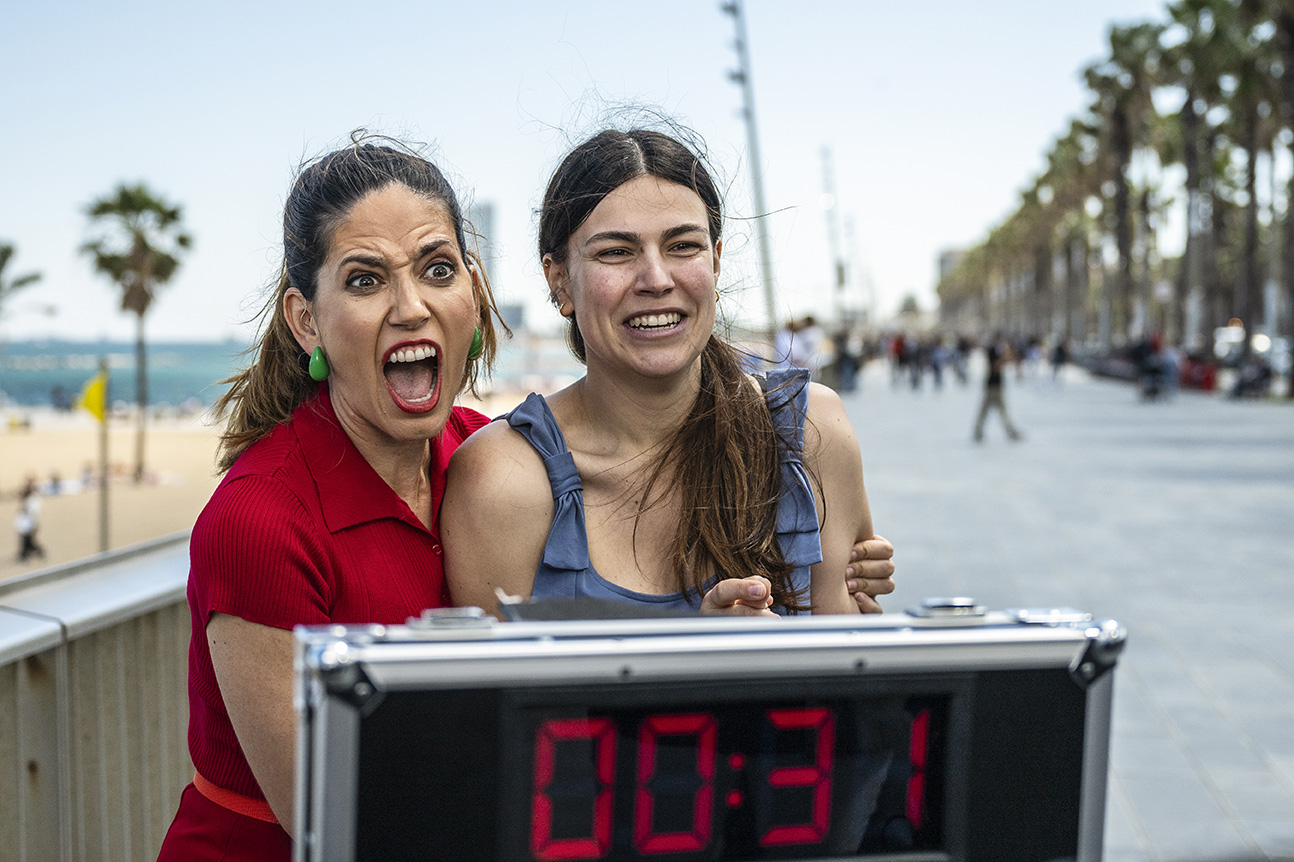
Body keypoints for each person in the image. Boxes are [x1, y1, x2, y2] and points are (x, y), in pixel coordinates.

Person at [156, 137, 504, 861]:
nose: (411, 307)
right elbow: (326, 811)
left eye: (438, 269)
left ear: (472, 293)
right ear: (306, 319)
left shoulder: (494, 458)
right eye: (366, 280)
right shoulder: (259, 520)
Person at [443, 128, 892, 618]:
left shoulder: (809, 432)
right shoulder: (503, 480)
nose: (656, 280)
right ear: (560, 282)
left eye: (682, 246)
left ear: (715, 262)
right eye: (616, 252)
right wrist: (701, 655)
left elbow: (848, 657)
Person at [973, 334, 1023, 442]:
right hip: (993, 386)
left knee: (994, 411)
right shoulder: (992, 351)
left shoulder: (997, 352)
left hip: (996, 386)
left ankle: (978, 432)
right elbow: (995, 367)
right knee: (994, 411)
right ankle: (1010, 432)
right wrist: (1005, 358)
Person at [15, 476, 45, 562]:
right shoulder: (29, 498)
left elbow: (34, 512)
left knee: (28, 540)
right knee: (28, 540)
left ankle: (26, 555)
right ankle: (27, 554)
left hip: (30, 522)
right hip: (25, 521)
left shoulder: (34, 499)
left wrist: (34, 522)